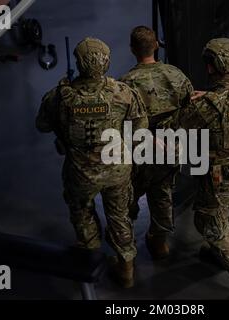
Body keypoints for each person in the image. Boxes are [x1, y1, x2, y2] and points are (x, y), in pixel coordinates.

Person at [36, 37, 148, 288]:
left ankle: (90, 255)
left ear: (78, 62)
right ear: (106, 62)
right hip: (117, 169)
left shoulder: (60, 96)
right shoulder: (123, 93)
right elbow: (140, 126)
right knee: (119, 215)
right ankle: (126, 268)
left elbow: (42, 125)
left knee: (82, 211)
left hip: (80, 173)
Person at [166, 38, 229, 293]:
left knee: (209, 222)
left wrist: (195, 103)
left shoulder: (207, 106)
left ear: (211, 68)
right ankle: (217, 252)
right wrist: (209, 97)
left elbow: (181, 122)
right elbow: (227, 103)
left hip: (223, 172)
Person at [119, 26, 194, 259]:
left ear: (132, 49)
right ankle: (159, 243)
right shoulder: (176, 75)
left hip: (141, 152)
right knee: (162, 196)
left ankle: (125, 248)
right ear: (157, 46)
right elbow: (190, 107)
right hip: (169, 149)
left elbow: (121, 122)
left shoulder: (125, 83)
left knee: (127, 197)